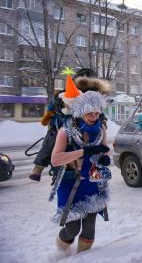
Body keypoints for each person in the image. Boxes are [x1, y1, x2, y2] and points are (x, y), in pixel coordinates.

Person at [50, 89, 111, 254]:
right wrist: (84, 152)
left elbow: (104, 150)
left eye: (97, 113)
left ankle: (82, 257)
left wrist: (104, 158)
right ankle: (61, 252)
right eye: (89, 113)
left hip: (92, 181)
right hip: (71, 184)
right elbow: (55, 159)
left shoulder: (101, 129)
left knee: (89, 229)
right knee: (72, 228)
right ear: (80, 112)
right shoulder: (65, 132)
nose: (94, 117)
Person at [29, 68, 110, 181]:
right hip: (65, 121)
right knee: (52, 138)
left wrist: (102, 118)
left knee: (98, 135)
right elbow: (55, 105)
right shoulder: (66, 92)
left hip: (85, 122)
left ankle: (95, 164)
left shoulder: (93, 94)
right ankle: (38, 166)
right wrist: (64, 104)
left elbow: (98, 108)